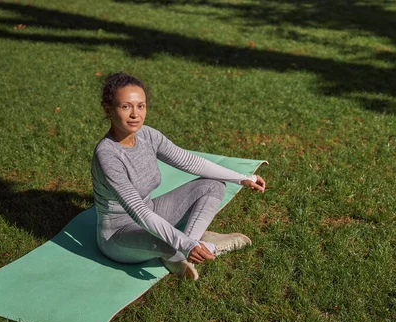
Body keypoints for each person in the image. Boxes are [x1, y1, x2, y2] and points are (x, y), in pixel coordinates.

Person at [91, 72, 266, 280]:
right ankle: (196, 246)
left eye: (141, 106)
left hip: (152, 210)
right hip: (118, 236)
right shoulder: (107, 155)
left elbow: (189, 161)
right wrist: (184, 244)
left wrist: (240, 177)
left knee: (214, 185)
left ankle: (187, 249)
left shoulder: (148, 135)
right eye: (126, 106)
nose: (135, 114)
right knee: (169, 243)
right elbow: (138, 212)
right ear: (108, 109)